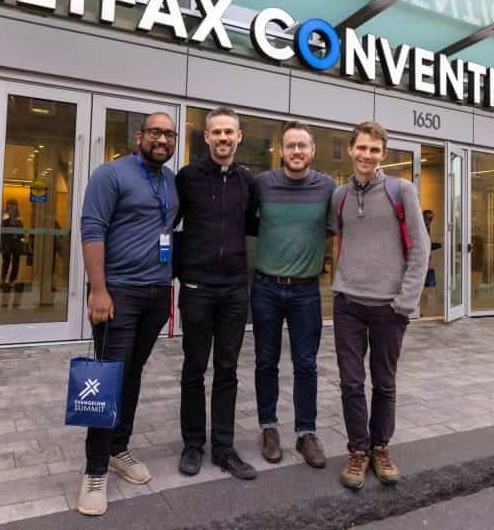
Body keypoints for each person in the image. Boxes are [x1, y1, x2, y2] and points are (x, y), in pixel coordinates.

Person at [77, 112, 180, 517]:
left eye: (169, 134)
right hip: (117, 292)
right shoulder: (110, 174)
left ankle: (119, 448)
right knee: (107, 378)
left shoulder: (171, 182)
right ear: (140, 136)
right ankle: (94, 470)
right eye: (155, 132)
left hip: (156, 293)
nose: (163, 139)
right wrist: (99, 290)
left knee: (132, 373)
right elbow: (92, 230)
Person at [327, 121, 429, 489]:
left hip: (389, 308)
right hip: (349, 305)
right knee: (351, 382)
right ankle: (358, 451)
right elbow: (339, 240)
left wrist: (404, 302)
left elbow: (420, 247)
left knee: (384, 383)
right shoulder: (338, 196)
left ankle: (380, 447)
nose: (367, 155)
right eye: (361, 148)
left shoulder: (401, 190)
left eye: (375, 150)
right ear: (352, 150)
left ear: (383, 154)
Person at [175, 106, 257, 480]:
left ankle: (223, 448)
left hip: (234, 291)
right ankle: (193, 444)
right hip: (196, 288)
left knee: (227, 370)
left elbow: (256, 229)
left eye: (230, 132)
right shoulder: (187, 178)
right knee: (194, 369)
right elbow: (167, 226)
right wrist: (175, 273)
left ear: (239, 137)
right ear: (206, 137)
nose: (223, 138)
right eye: (217, 132)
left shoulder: (248, 182)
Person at [251, 120, 335, 469]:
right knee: (266, 362)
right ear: (280, 150)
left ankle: (306, 432)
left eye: (303, 145)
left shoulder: (328, 187)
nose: (296, 151)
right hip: (266, 287)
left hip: (306, 292)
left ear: (312, 151)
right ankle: (269, 428)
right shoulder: (261, 185)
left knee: (306, 364)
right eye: (290, 145)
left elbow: (338, 231)